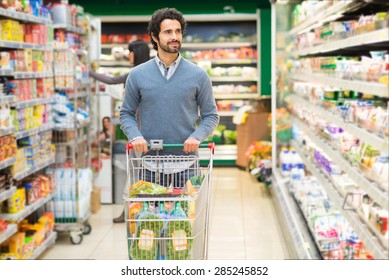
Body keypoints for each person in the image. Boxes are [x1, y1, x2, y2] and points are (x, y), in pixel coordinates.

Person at [120, 8, 219, 187]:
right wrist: (135, 137)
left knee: (186, 215)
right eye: (168, 32)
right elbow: (126, 113)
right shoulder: (137, 75)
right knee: (151, 216)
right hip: (149, 167)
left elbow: (211, 115)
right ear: (155, 37)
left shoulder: (198, 75)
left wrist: (197, 137)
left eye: (178, 31)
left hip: (187, 166)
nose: (175, 36)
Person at [90, 40, 150, 223]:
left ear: (136, 53)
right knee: (142, 174)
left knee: (135, 174)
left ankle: (131, 213)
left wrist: (87, 71)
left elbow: (111, 80)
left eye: (130, 52)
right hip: (146, 132)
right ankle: (135, 212)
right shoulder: (149, 72)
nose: (127, 55)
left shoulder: (136, 73)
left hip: (139, 134)